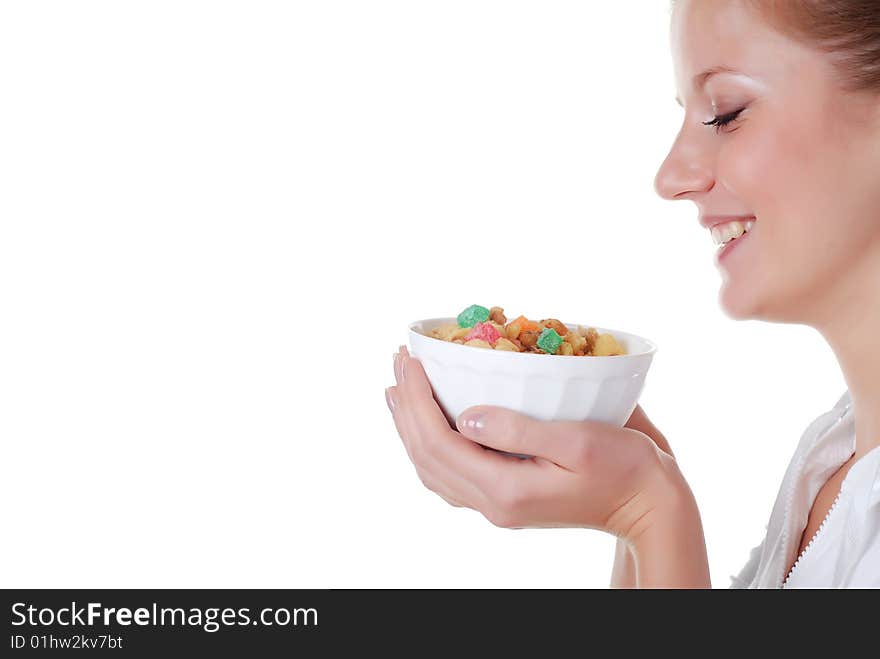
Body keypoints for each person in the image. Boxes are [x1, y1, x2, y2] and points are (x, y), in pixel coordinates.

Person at [384, 0, 880, 588]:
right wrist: (637, 500)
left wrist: (649, 512)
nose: (671, 177)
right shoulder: (834, 455)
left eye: (725, 113)